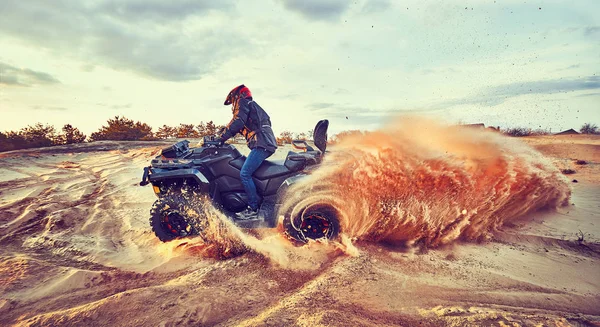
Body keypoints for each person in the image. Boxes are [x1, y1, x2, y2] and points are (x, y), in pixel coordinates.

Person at [217, 84, 278, 219]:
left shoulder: (243, 102)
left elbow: (238, 121)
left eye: (232, 101)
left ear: (236, 96)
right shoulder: (252, 106)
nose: (233, 104)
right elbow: (238, 125)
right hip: (264, 142)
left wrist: (221, 138)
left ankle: (252, 208)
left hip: (261, 144)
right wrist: (221, 133)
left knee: (244, 173)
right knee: (248, 169)